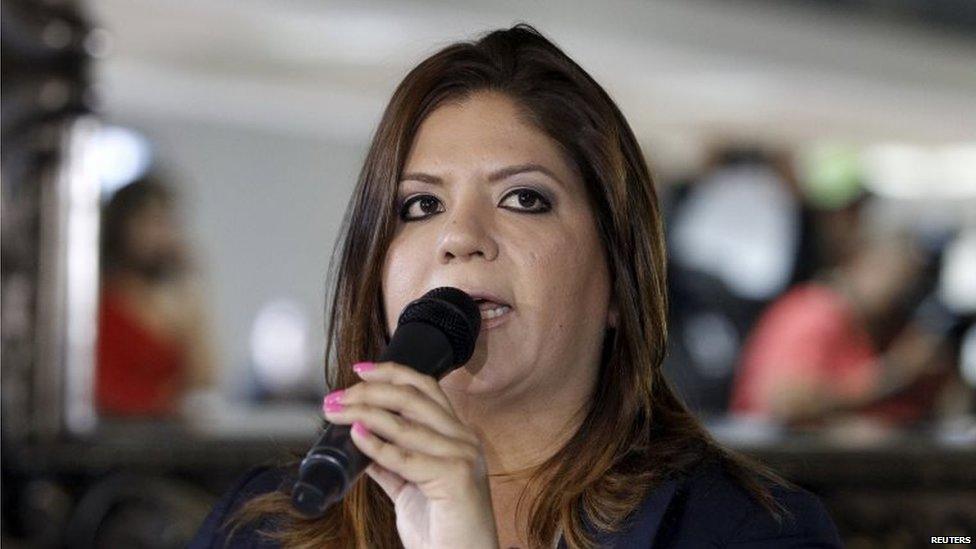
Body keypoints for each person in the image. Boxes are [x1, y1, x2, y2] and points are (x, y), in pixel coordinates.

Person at [190, 24, 841, 548]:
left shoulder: (749, 530)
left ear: (618, 277)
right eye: (419, 206)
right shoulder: (261, 524)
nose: (460, 235)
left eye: (524, 198)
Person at [730, 232, 955, 426]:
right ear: (861, 262)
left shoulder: (887, 325)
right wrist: (893, 373)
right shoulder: (814, 312)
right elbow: (785, 401)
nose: (902, 291)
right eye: (896, 274)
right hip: (784, 467)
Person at [96, 175, 216, 418]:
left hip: (164, 436)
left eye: (167, 223)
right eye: (150, 222)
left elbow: (204, 380)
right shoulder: (102, 302)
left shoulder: (176, 302)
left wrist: (192, 296)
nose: (160, 235)